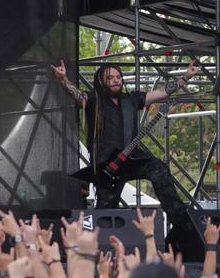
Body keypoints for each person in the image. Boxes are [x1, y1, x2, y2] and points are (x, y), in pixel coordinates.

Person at [51, 59, 200, 235]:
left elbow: (161, 92)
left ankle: (184, 228)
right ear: (101, 81)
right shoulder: (93, 99)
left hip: (132, 157)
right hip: (107, 164)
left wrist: (186, 77)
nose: (116, 80)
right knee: (105, 210)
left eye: (118, 77)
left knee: (158, 168)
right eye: (111, 77)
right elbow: (77, 95)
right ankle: (102, 245)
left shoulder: (131, 99)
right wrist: (63, 80)